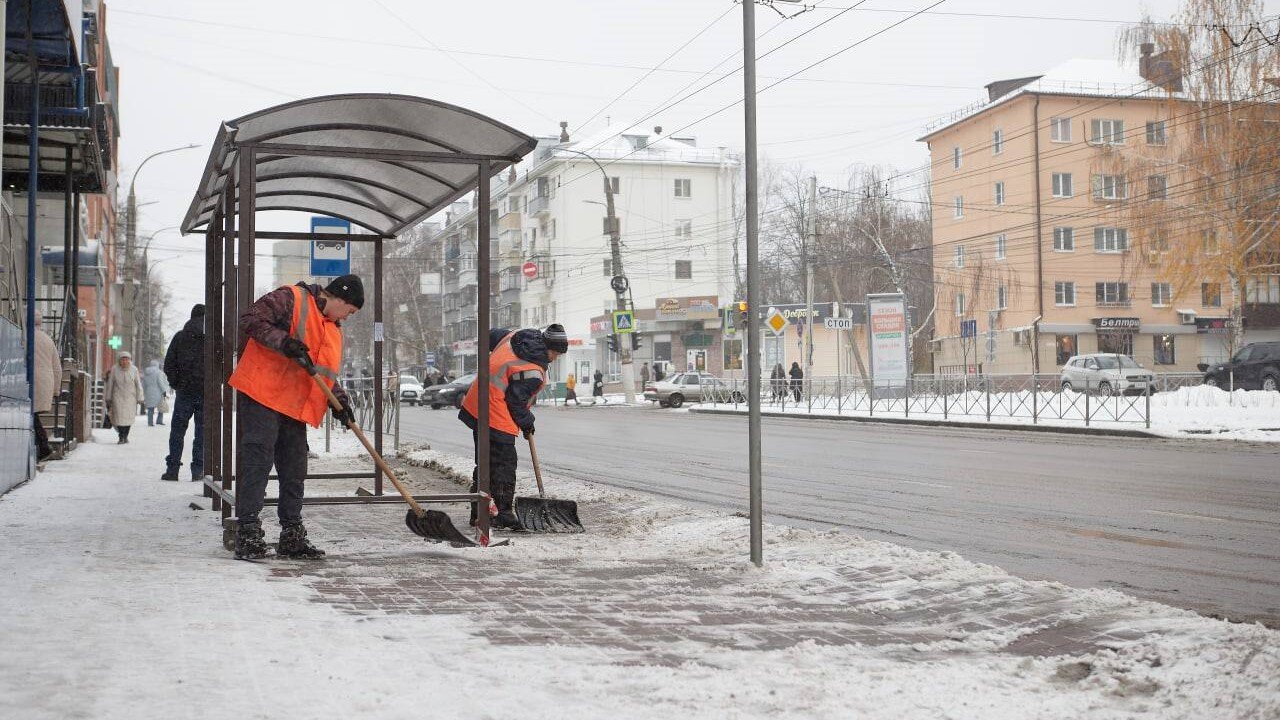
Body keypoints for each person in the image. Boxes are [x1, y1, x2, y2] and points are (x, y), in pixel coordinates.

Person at [227, 275, 362, 560]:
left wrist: (340, 403)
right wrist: (285, 342)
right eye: (350, 311)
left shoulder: (332, 331)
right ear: (338, 298)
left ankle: (291, 534)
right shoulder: (292, 298)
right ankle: (248, 531)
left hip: (293, 404)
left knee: (294, 468)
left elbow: (323, 374)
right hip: (262, 393)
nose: (347, 318)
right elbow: (250, 319)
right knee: (258, 461)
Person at [459, 324, 567, 532]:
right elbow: (516, 402)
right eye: (556, 353)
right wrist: (527, 422)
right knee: (504, 466)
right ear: (548, 347)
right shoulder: (533, 371)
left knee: (485, 464)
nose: (555, 358)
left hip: (477, 404)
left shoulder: (515, 337)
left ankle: (479, 514)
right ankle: (502, 514)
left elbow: (489, 336)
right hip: (495, 414)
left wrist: (489, 364)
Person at [163, 304, 206, 481]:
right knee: (202, 433)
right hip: (206, 393)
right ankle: (198, 470)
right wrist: (214, 383)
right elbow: (224, 365)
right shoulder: (214, 338)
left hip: (185, 392)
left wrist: (177, 383)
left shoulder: (180, 337)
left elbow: (169, 364)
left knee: (178, 432)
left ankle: (173, 469)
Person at [32, 317, 62, 461]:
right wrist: (56, 389)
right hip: (45, 383)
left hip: (31, 381)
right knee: (32, 416)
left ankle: (44, 447)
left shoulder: (24, 336)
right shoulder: (48, 340)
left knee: (30, 416)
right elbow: (57, 367)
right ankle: (42, 448)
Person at [104, 352, 143, 444]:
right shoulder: (114, 369)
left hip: (130, 397)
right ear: (119, 360)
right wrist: (108, 397)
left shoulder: (134, 370)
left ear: (129, 360)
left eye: (126, 359)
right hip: (118, 396)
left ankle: (126, 436)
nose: (125, 361)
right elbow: (110, 384)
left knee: (128, 418)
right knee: (119, 418)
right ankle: (121, 436)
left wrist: (140, 397)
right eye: (122, 359)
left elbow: (138, 384)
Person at [142, 360, 170, 427]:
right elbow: (160, 383)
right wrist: (164, 391)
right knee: (161, 406)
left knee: (150, 408)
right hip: (157, 392)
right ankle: (159, 420)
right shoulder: (159, 372)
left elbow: (144, 384)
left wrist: (144, 392)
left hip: (148, 391)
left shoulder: (146, 373)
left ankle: (150, 422)